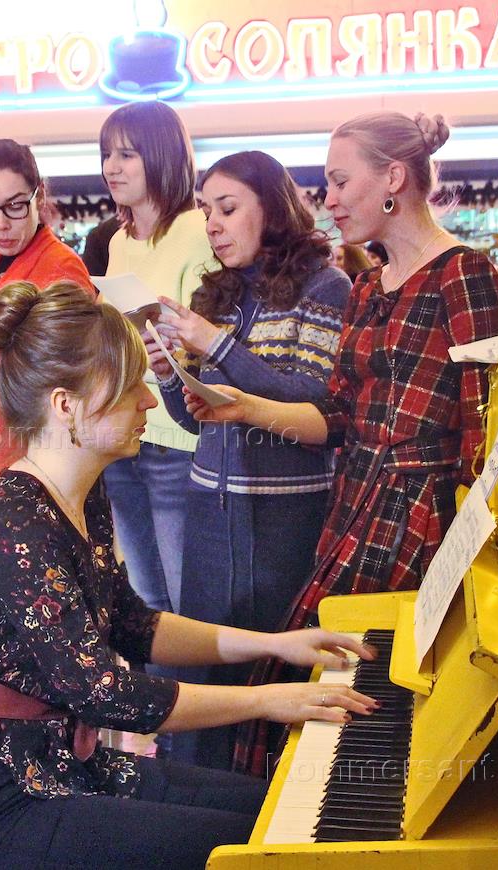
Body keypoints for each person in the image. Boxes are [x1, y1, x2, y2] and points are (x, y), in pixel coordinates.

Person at [0, 281, 379, 870]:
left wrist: (276, 644)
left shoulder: (80, 495)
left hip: (57, 766)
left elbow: (136, 626)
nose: (149, 402)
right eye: (130, 385)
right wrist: (269, 699)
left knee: (276, 811)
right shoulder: (15, 523)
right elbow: (105, 692)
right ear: (66, 406)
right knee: (262, 846)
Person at [186, 112, 498, 777]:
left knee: (370, 698)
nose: (329, 199)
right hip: (354, 507)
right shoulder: (366, 286)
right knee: (316, 682)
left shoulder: (463, 275)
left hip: (425, 521)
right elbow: (335, 416)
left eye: (340, 181)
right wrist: (242, 407)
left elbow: (489, 432)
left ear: (393, 179)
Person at [149, 150, 350, 768]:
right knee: (211, 655)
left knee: (277, 656)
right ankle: (203, 793)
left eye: (228, 208)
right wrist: (170, 374)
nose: (213, 224)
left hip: (286, 514)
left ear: (273, 207)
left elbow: (312, 399)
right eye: (206, 210)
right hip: (209, 506)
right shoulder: (217, 291)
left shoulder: (326, 285)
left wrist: (214, 344)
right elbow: (196, 420)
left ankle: (269, 796)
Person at [98, 100, 213, 620]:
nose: (112, 167)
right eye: (107, 154)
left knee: (187, 602)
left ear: (163, 157)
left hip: (178, 439)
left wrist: (168, 346)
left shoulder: (197, 231)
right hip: (124, 432)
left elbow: (208, 341)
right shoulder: (119, 240)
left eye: (126, 155)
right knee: (145, 597)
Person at [0, 139, 93, 517]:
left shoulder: (60, 267)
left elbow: (71, 379)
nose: (1, 223)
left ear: (39, 197)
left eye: (14, 205)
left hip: (35, 459)